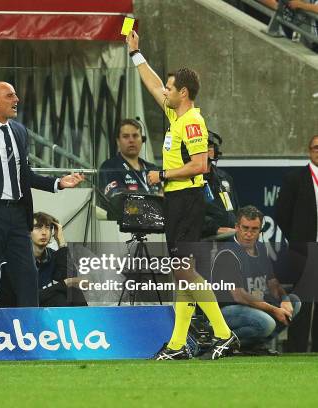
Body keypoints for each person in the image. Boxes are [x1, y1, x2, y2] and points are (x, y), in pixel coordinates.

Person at [127, 31, 238, 360]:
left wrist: (162, 174)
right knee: (181, 272)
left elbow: (201, 165)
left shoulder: (192, 123)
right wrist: (136, 54)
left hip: (187, 200)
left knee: (185, 271)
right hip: (178, 200)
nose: (166, 91)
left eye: (171, 87)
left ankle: (223, 333)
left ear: (184, 93)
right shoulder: (178, 115)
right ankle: (177, 346)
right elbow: (152, 84)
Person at [0, 81, 84, 308]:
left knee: (28, 276)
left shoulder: (20, 131)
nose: (16, 100)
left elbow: (26, 176)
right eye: (10, 96)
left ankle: (29, 330)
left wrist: (58, 182)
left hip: (18, 216)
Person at [212, 206, 301, 354]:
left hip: (254, 305)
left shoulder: (261, 248)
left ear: (260, 230)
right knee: (266, 322)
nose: (249, 234)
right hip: (228, 310)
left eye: (254, 229)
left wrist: (284, 299)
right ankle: (223, 343)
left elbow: (272, 282)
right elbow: (239, 296)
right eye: (245, 228)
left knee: (294, 302)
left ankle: (253, 345)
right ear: (236, 227)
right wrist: (274, 309)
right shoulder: (227, 253)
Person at [275, 134, 318, 352]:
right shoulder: (295, 178)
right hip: (304, 249)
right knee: (302, 302)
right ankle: (296, 349)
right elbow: (282, 213)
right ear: (309, 150)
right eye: (316, 147)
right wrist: (297, 239)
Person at [97, 118, 160, 219]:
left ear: (142, 139)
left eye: (135, 136)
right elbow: (119, 205)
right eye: (126, 136)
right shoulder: (110, 167)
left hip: (156, 229)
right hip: (121, 230)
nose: (131, 140)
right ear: (118, 141)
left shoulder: (152, 168)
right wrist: (152, 207)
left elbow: (165, 201)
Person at [201, 131, 239, 239]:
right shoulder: (187, 180)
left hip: (229, 238)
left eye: (210, 146)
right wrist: (215, 229)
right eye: (202, 146)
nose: (207, 149)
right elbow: (189, 215)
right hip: (205, 241)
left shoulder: (224, 177)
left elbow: (235, 209)